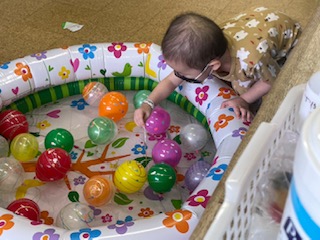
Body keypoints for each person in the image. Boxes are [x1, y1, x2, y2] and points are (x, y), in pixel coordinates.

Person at [134, 6, 301, 126]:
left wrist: (243, 100)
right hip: (254, 23)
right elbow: (171, 81)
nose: (178, 76)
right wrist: (148, 104)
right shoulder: (206, 50)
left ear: (213, 65)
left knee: (246, 87)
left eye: (184, 75)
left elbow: (270, 81)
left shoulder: (250, 61)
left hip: (287, 34)